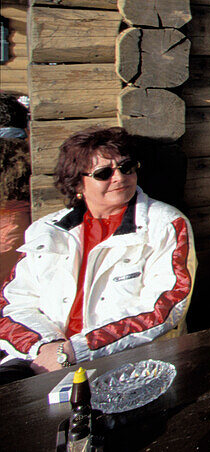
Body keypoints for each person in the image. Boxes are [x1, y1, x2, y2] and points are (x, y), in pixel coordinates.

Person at [0, 127, 195, 379]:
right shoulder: (45, 231)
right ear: (78, 183)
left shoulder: (165, 224)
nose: (119, 178)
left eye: (127, 167)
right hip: (42, 359)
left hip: (126, 363)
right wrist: (46, 346)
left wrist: (75, 350)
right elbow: (13, 303)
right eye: (103, 173)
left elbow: (165, 307)